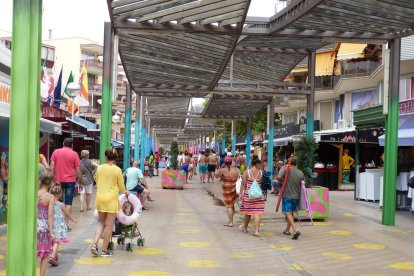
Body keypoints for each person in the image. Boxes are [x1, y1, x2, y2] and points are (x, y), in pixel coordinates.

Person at [91, 148, 129, 257]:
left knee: (101, 223)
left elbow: (96, 180)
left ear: (106, 157)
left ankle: (94, 244)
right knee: (109, 226)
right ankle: (104, 250)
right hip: (111, 200)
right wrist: (126, 192)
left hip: (100, 199)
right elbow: (122, 188)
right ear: (116, 158)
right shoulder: (117, 170)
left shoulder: (100, 168)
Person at [50, 138, 82, 231]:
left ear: (63, 143)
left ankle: (56, 224)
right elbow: (78, 170)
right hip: (70, 181)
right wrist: (80, 180)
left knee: (56, 202)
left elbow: (52, 165)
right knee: (68, 203)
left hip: (58, 181)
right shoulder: (74, 154)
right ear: (71, 145)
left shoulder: (56, 152)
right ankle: (65, 225)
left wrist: (53, 179)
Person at [49, 184, 77, 266]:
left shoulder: (49, 203)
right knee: (57, 242)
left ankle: (55, 255)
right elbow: (67, 214)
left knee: (52, 241)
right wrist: (73, 219)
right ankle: (52, 256)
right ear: (60, 193)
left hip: (50, 224)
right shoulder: (61, 204)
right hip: (59, 225)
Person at [277, 158, 304, 240]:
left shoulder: (285, 169)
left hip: (287, 194)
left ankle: (295, 230)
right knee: (291, 213)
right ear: (296, 164)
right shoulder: (300, 173)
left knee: (288, 213)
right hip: (296, 196)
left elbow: (278, 177)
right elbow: (302, 183)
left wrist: (281, 180)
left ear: (288, 163)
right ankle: (287, 230)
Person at [239, 157, 265, 237]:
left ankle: (245, 228)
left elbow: (243, 184)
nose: (260, 166)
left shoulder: (247, 172)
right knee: (257, 213)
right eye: (259, 164)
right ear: (256, 164)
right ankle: (256, 231)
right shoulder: (261, 173)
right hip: (259, 195)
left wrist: (241, 194)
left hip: (249, 195)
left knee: (248, 213)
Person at [37, 172, 55, 276]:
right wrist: (52, 232)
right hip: (43, 227)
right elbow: (50, 215)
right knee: (44, 253)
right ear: (50, 183)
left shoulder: (34, 193)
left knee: (32, 250)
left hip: (32, 225)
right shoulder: (50, 197)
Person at [215, 156, 239, 227]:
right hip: (234, 189)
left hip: (226, 189)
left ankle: (230, 222)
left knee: (229, 206)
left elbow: (216, 175)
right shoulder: (236, 169)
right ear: (231, 162)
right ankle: (230, 220)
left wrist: (219, 169)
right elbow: (239, 176)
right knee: (232, 204)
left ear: (225, 162)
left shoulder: (222, 170)